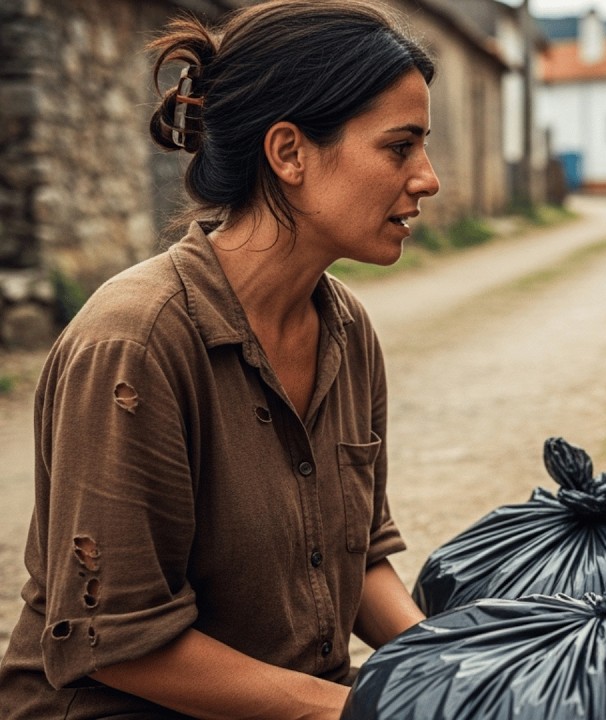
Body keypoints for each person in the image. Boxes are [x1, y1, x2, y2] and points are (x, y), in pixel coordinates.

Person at [0, 1, 440, 717]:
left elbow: (357, 561)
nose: (429, 178)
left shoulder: (346, 330)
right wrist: (366, 711)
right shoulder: (135, 344)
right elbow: (123, 642)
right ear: (289, 152)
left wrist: (454, 671)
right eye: (400, 147)